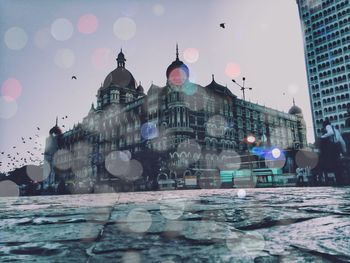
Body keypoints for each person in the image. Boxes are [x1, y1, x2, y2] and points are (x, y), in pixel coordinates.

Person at [319, 118, 340, 185]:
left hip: (333, 147)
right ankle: (338, 179)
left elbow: (330, 133)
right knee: (336, 164)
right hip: (337, 147)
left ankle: (327, 178)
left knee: (327, 162)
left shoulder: (328, 127)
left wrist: (323, 136)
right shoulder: (335, 128)